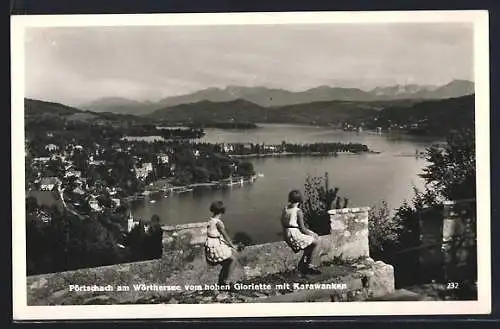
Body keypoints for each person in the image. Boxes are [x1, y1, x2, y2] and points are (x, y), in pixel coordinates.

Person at [281, 190, 321, 275]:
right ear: (300, 200)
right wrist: (313, 234)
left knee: (309, 244)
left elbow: (283, 222)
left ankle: (303, 264)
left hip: (286, 233)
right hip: (294, 234)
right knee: (316, 242)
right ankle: (309, 265)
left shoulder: (285, 209)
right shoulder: (298, 211)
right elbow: (303, 229)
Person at [204, 201, 238, 286]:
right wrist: (232, 245)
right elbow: (225, 235)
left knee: (229, 258)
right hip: (216, 245)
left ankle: (224, 281)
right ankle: (226, 282)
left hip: (211, 244)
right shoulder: (218, 223)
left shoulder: (211, 220)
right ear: (222, 211)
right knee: (234, 260)